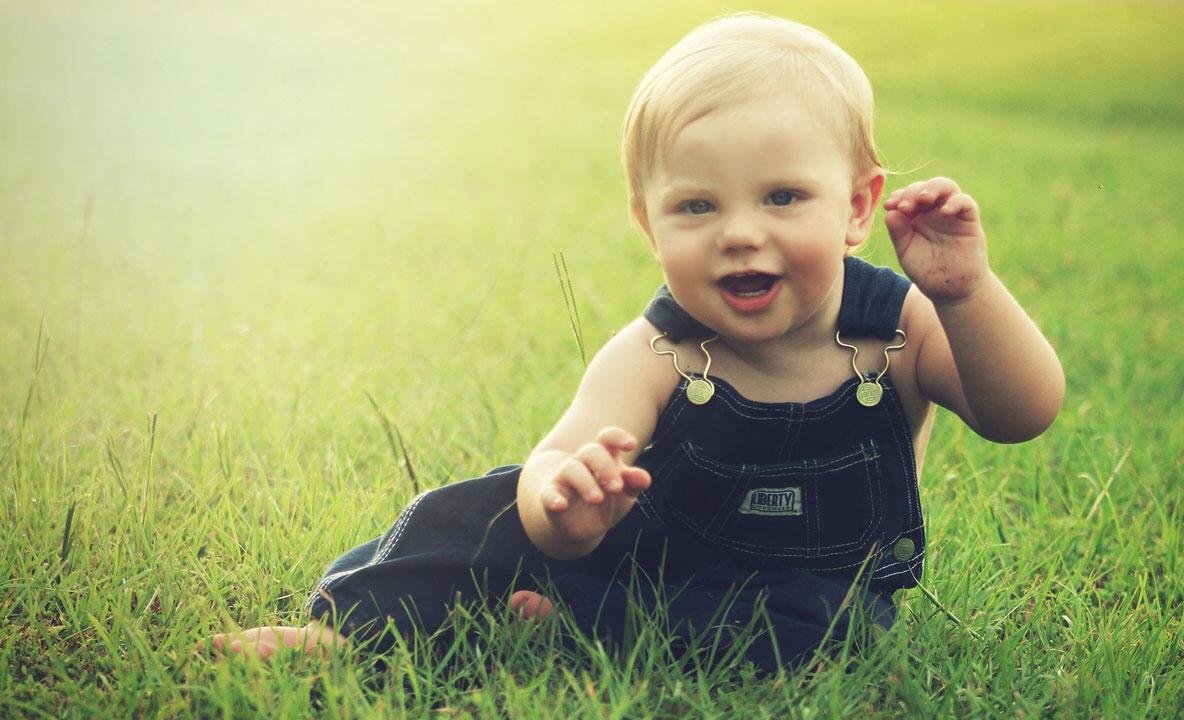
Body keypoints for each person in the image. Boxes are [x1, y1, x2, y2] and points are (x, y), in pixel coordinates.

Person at [210, 12, 1064, 670]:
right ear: (647, 224)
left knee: (832, 632)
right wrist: (566, 506)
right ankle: (353, 630)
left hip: (805, 596)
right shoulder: (657, 352)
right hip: (642, 558)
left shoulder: (902, 327)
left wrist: (968, 294)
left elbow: (1020, 412)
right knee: (482, 510)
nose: (739, 232)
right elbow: (561, 455)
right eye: (697, 206)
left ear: (855, 207)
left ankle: (570, 627)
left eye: (781, 197)